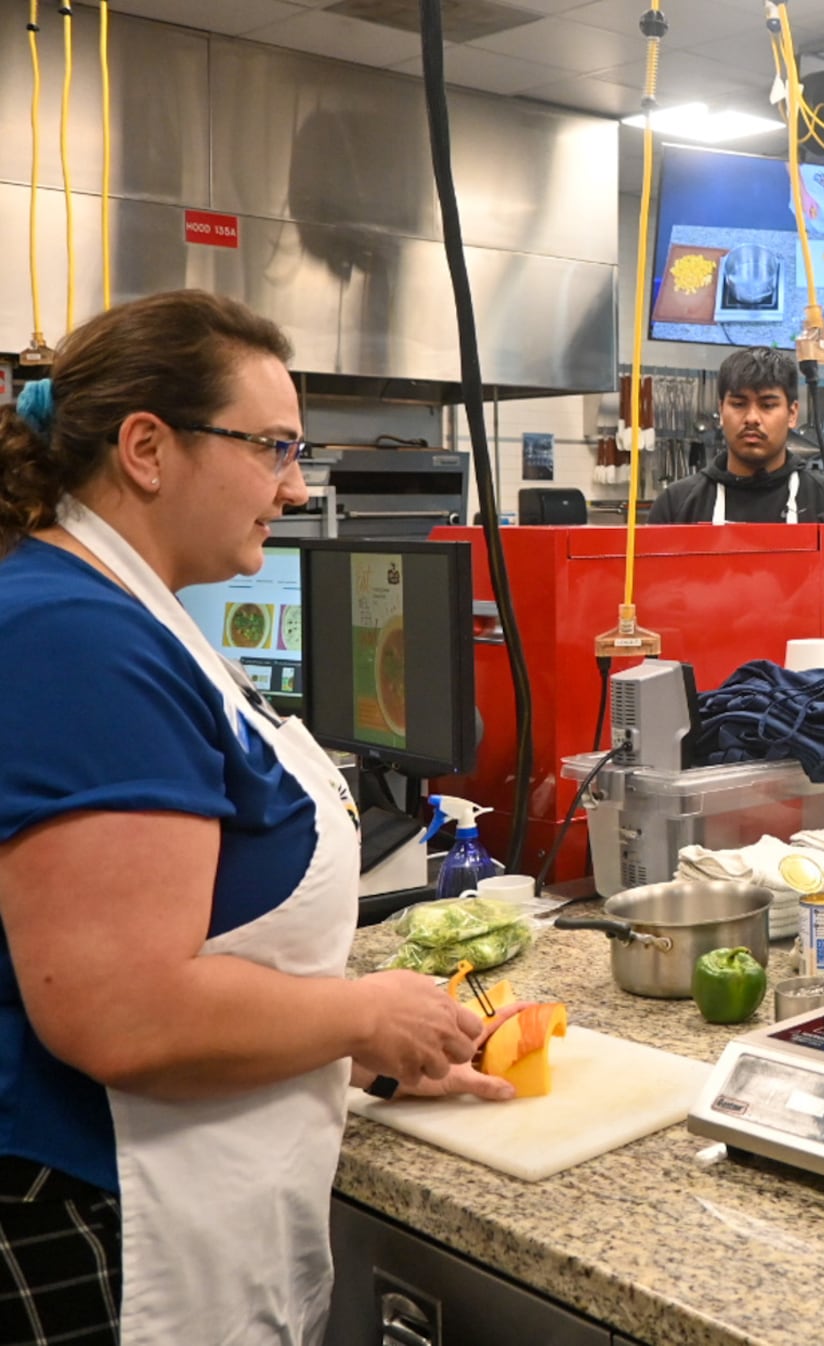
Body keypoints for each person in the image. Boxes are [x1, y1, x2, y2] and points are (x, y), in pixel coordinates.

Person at [0, 292, 506, 1346]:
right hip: (97, 1221)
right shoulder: (76, 638)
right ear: (147, 446)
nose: (294, 484)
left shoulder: (125, 608)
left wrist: (370, 1050)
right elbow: (123, 1011)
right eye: (272, 446)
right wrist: (362, 1015)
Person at [646, 347, 824, 525]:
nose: (752, 418)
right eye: (738, 404)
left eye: (767, 405)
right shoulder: (676, 505)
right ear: (721, 410)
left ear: (792, 413)